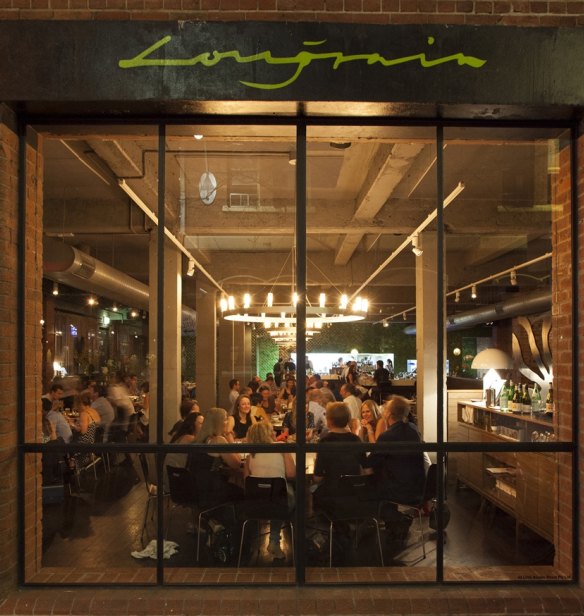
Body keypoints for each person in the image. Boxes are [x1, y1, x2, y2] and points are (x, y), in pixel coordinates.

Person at [363, 395, 426, 552]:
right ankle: (399, 522)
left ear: (389, 414)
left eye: (385, 409)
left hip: (397, 490)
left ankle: (391, 522)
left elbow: (370, 462)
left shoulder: (387, 436)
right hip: (418, 488)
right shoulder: (413, 430)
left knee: (368, 484)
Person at [244, 421, 296, 559]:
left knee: (275, 495)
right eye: (272, 431)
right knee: (281, 493)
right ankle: (274, 541)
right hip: (280, 502)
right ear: (267, 434)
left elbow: (246, 481)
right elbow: (291, 474)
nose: (274, 433)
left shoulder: (250, 455)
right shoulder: (281, 448)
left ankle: (252, 544)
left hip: (256, 502)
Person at [312, 402, 367, 513]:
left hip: (331, 495)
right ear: (348, 420)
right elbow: (366, 470)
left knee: (310, 491)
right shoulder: (356, 440)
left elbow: (317, 478)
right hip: (355, 493)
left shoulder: (325, 441)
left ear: (329, 420)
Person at [187, 407, 243, 506]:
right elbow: (236, 464)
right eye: (226, 419)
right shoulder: (218, 440)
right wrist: (230, 438)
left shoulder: (199, 439)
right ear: (219, 422)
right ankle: (231, 519)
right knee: (241, 491)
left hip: (196, 487)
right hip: (211, 490)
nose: (227, 422)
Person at [70, 389, 102, 468]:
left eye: (77, 405)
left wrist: (72, 425)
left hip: (86, 443)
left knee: (69, 441)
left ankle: (73, 465)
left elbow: (83, 432)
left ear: (81, 403)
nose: (77, 407)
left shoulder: (84, 414)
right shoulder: (94, 411)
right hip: (94, 440)